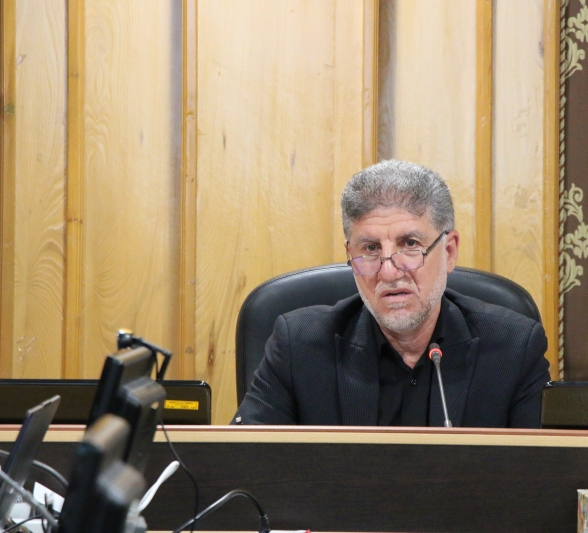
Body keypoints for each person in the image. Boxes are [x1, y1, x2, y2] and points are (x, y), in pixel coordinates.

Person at [233, 160, 550, 427]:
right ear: (350, 254)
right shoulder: (298, 347)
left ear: (449, 251)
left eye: (410, 245)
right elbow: (244, 464)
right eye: (370, 249)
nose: (388, 272)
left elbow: (540, 475)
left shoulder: (514, 349)